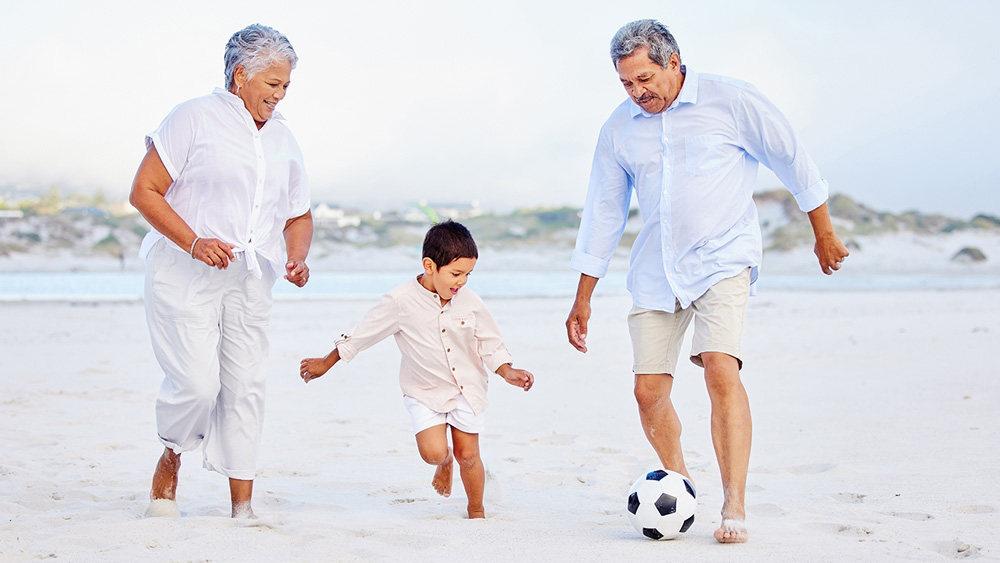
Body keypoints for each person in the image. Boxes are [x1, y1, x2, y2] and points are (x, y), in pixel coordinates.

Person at [565, 19, 849, 543]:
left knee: (720, 368)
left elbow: (792, 159)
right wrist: (583, 296)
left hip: (723, 258)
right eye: (626, 83)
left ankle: (734, 504)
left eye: (645, 78)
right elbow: (603, 211)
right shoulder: (619, 127)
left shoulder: (732, 101)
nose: (637, 92)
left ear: (674, 63)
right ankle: (683, 483)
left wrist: (823, 232)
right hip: (655, 268)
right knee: (647, 391)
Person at [129, 23, 313, 519]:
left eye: (286, 86)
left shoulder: (283, 139)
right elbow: (144, 191)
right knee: (195, 384)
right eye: (272, 84)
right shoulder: (192, 118)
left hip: (251, 278)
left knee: (246, 385)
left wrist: (297, 256)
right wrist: (193, 241)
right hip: (184, 271)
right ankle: (172, 452)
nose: (279, 95)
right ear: (240, 77)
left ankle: (242, 507)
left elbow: (298, 213)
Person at [300, 220, 534, 519]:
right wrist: (326, 361)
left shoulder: (470, 301)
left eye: (468, 275)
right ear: (430, 265)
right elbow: (364, 334)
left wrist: (506, 370)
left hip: (466, 388)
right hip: (424, 391)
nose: (462, 282)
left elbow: (489, 341)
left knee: (469, 454)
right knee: (433, 453)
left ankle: (476, 511)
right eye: (456, 273)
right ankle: (444, 462)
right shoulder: (400, 300)